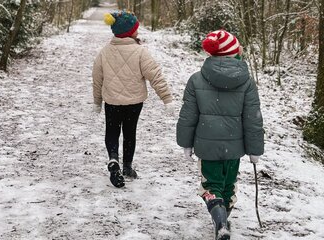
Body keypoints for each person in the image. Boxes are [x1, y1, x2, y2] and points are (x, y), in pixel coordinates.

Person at [176, 30, 264, 240]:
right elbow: (253, 118)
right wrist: (255, 150)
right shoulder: (247, 81)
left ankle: (219, 218)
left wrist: (186, 143)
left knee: (211, 185)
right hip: (235, 147)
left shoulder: (196, 79)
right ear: (234, 52)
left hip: (206, 147)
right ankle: (224, 218)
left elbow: (188, 115)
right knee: (228, 185)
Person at [92, 10, 173, 188]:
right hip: (134, 103)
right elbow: (155, 76)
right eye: (136, 28)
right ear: (130, 32)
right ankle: (127, 167)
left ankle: (113, 160)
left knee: (112, 131)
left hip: (112, 101)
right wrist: (166, 98)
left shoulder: (104, 52)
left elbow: (97, 79)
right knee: (130, 132)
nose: (138, 31)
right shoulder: (140, 52)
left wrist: (97, 101)